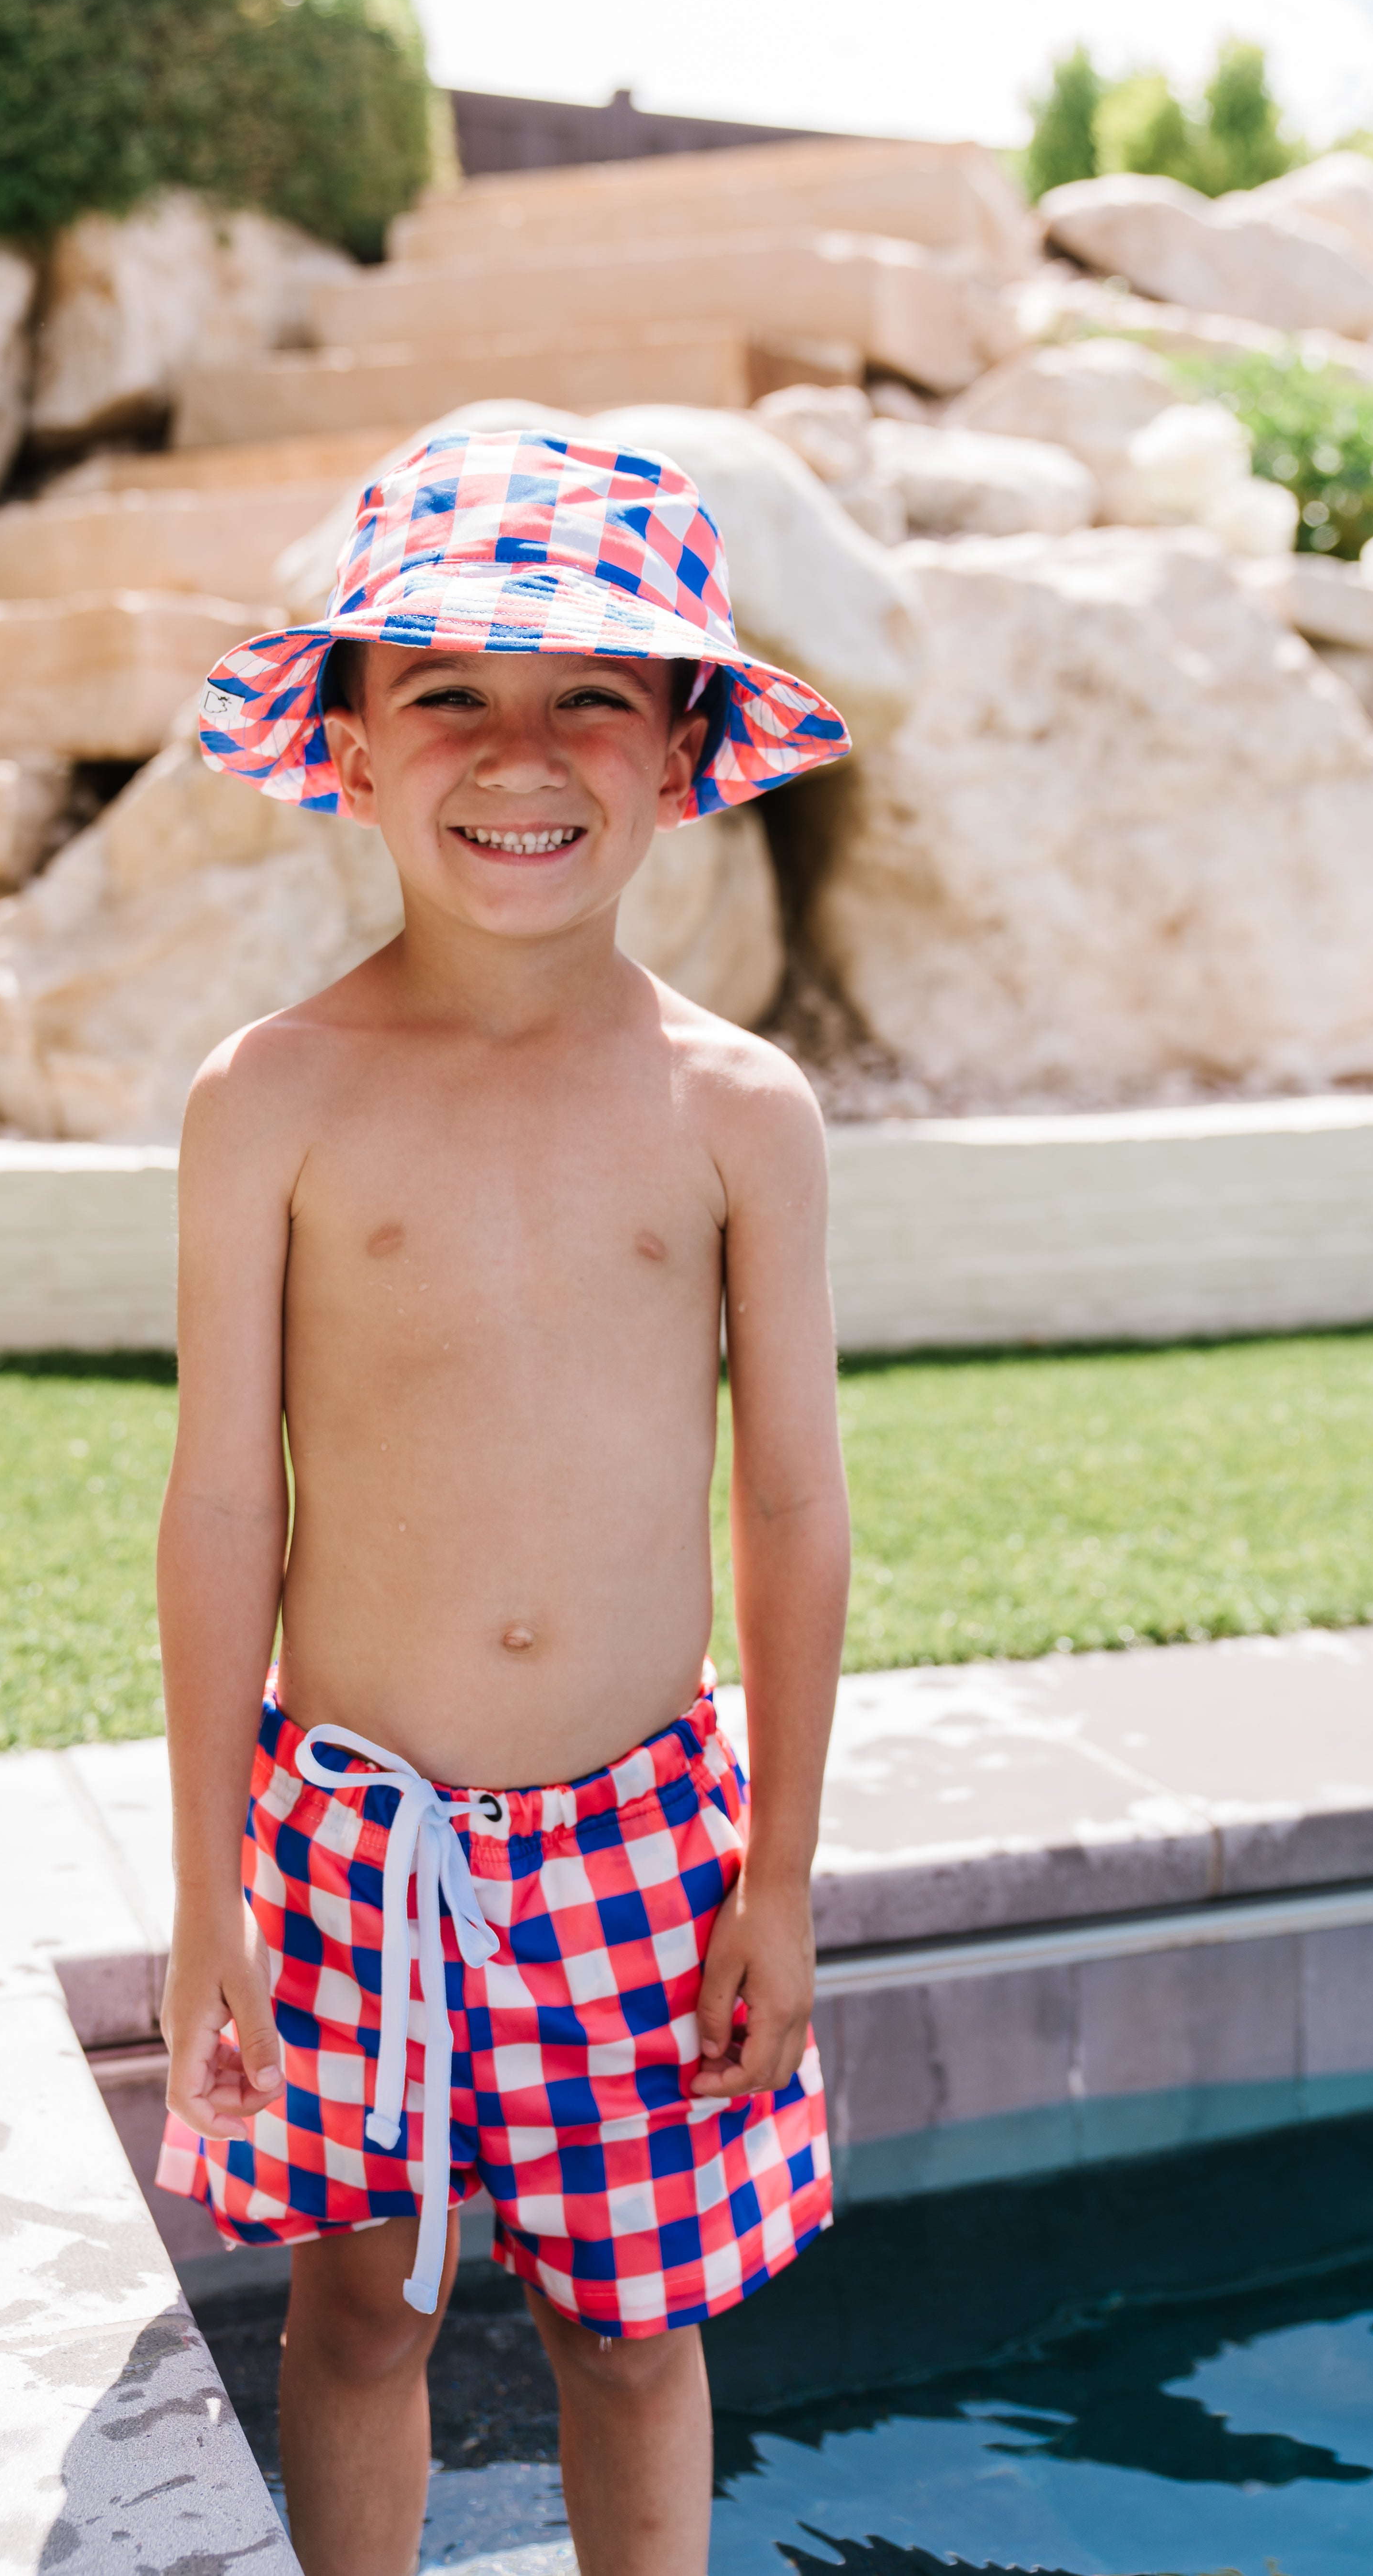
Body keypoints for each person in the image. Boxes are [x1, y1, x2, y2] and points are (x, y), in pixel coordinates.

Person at [155, 426, 853, 2576]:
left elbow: (797, 1515)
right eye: (448, 690)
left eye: (592, 698)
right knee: (360, 2310)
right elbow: (219, 1513)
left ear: (681, 755)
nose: (518, 752)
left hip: (653, 1834)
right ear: (350, 745)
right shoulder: (272, 1096)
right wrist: (210, 1899)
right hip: (359, 1839)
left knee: (633, 2339)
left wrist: (785, 1879)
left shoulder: (740, 1111)